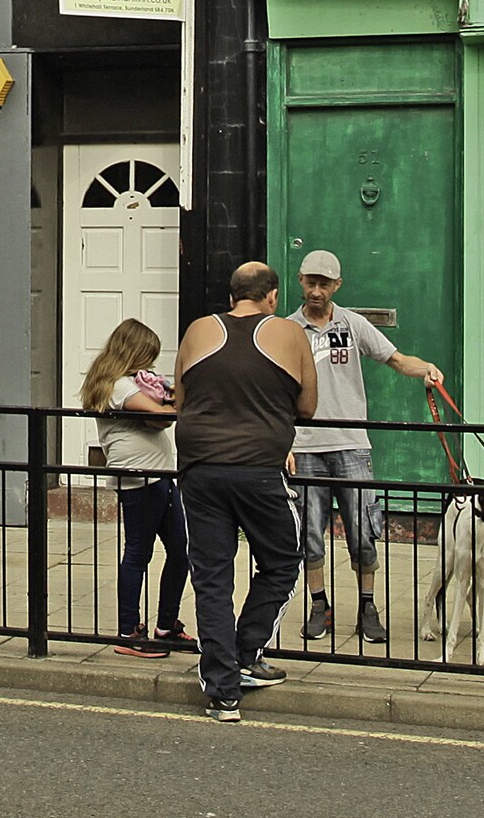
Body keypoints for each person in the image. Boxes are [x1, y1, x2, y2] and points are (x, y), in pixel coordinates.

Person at [171, 261, 317, 722]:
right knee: (283, 560)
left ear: (232, 295)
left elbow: (180, 400)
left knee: (212, 577)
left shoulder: (198, 329)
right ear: (271, 297)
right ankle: (245, 653)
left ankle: (222, 692)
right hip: (258, 467)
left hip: (200, 468)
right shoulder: (288, 333)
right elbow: (308, 406)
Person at [287, 249, 444, 646]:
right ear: (301, 281)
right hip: (305, 446)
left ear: (337, 285)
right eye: (311, 282)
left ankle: (367, 606)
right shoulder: (287, 329)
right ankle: (319, 605)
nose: (317, 290)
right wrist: (282, 442)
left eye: (325, 283)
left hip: (351, 444)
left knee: (362, 532)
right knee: (310, 533)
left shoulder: (352, 324)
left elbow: (395, 359)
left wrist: (425, 369)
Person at [79, 318, 194, 658]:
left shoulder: (129, 383)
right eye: (148, 357)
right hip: (140, 477)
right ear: (133, 352)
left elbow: (156, 415)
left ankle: (166, 625)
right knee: (138, 554)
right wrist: (179, 400)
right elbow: (160, 414)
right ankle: (128, 631)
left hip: (158, 474)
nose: (150, 365)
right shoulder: (118, 386)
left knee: (181, 550)